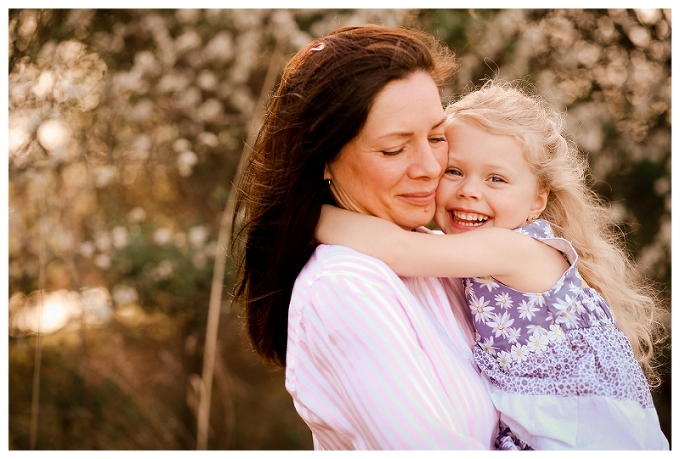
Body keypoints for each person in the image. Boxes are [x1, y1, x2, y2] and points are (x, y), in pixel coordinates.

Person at [315, 79, 669, 450]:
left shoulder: (511, 249)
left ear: (537, 201)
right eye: (454, 171)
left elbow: (398, 248)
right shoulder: (479, 251)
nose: (469, 190)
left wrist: (304, 217)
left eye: (496, 178)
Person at [230, 25, 499, 449]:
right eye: (394, 149)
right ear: (324, 159)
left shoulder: (439, 251)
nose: (430, 166)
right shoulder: (342, 289)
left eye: (436, 137)